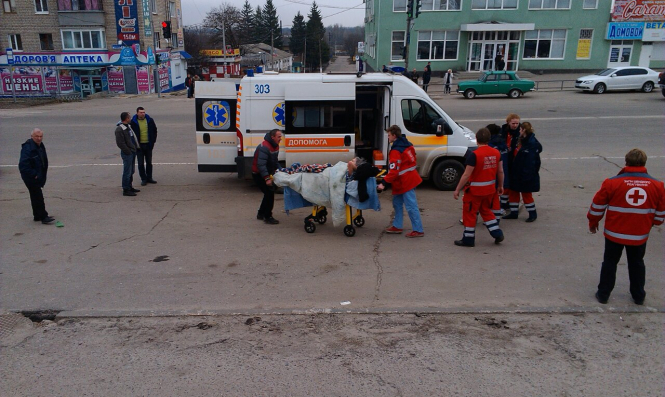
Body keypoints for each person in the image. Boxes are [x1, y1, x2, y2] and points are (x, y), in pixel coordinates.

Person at [588, 149, 665, 305]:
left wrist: (593, 221)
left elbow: (597, 205)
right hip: (639, 235)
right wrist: (653, 223)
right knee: (637, 263)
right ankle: (638, 296)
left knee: (609, 262)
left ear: (626, 162)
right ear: (644, 163)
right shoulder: (658, 185)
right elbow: (660, 214)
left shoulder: (612, 182)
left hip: (614, 234)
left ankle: (603, 294)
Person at [453, 128, 504, 247]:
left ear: (477, 140)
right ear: (489, 139)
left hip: (474, 192)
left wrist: (457, 189)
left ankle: (468, 239)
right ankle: (497, 233)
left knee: (470, 213)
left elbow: (466, 175)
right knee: (486, 211)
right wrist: (500, 186)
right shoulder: (496, 153)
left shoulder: (474, 155)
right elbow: (500, 171)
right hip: (489, 190)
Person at [377, 125, 424, 238]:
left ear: (394, 135)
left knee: (411, 205)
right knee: (397, 203)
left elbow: (394, 170)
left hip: (405, 181)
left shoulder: (395, 151)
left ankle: (418, 229)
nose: (388, 138)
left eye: (389, 135)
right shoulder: (407, 144)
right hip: (406, 179)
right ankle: (397, 226)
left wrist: (383, 183)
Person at [503, 122, 542, 222]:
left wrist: (526, 175)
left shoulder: (531, 144)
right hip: (517, 172)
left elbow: (531, 162)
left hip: (524, 174)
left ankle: (532, 214)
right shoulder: (523, 140)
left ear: (524, 130)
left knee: (526, 194)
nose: (519, 131)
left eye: (520, 129)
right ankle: (514, 212)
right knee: (513, 192)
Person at [18, 128, 54, 224]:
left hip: (37, 175)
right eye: (36, 136)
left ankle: (37, 215)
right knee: (38, 196)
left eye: (40, 136)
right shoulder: (28, 148)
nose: (39, 138)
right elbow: (23, 165)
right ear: (32, 137)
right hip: (30, 176)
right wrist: (34, 175)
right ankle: (43, 216)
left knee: (34, 195)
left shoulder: (40, 146)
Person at [252, 129, 283, 224]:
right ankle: (267, 216)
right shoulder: (265, 147)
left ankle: (261, 213)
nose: (280, 138)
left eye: (281, 136)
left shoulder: (275, 146)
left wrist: (281, 170)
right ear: (272, 137)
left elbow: (275, 161)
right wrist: (267, 178)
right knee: (269, 193)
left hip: (265, 173)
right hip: (258, 174)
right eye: (279, 137)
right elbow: (261, 165)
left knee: (267, 193)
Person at [130, 107, 158, 186]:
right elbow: (131, 134)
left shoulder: (150, 120)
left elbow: (154, 130)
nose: (143, 114)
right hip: (139, 146)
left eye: (144, 112)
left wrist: (153, 141)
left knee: (149, 162)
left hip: (148, 144)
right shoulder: (133, 122)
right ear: (137, 113)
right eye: (141, 112)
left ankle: (149, 177)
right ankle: (143, 179)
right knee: (141, 163)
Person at [115, 112, 140, 197]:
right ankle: (126, 189)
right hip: (127, 153)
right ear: (126, 118)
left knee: (131, 171)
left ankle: (130, 186)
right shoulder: (120, 129)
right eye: (129, 117)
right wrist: (128, 151)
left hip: (132, 151)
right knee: (127, 171)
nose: (131, 118)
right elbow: (120, 143)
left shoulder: (128, 126)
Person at [499, 113, 521, 209]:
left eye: (517, 123)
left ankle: (508, 203)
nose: (515, 125)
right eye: (513, 123)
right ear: (508, 122)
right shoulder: (503, 131)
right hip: (505, 160)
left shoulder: (520, 132)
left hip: (515, 162)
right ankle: (504, 203)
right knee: (505, 183)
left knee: (512, 184)